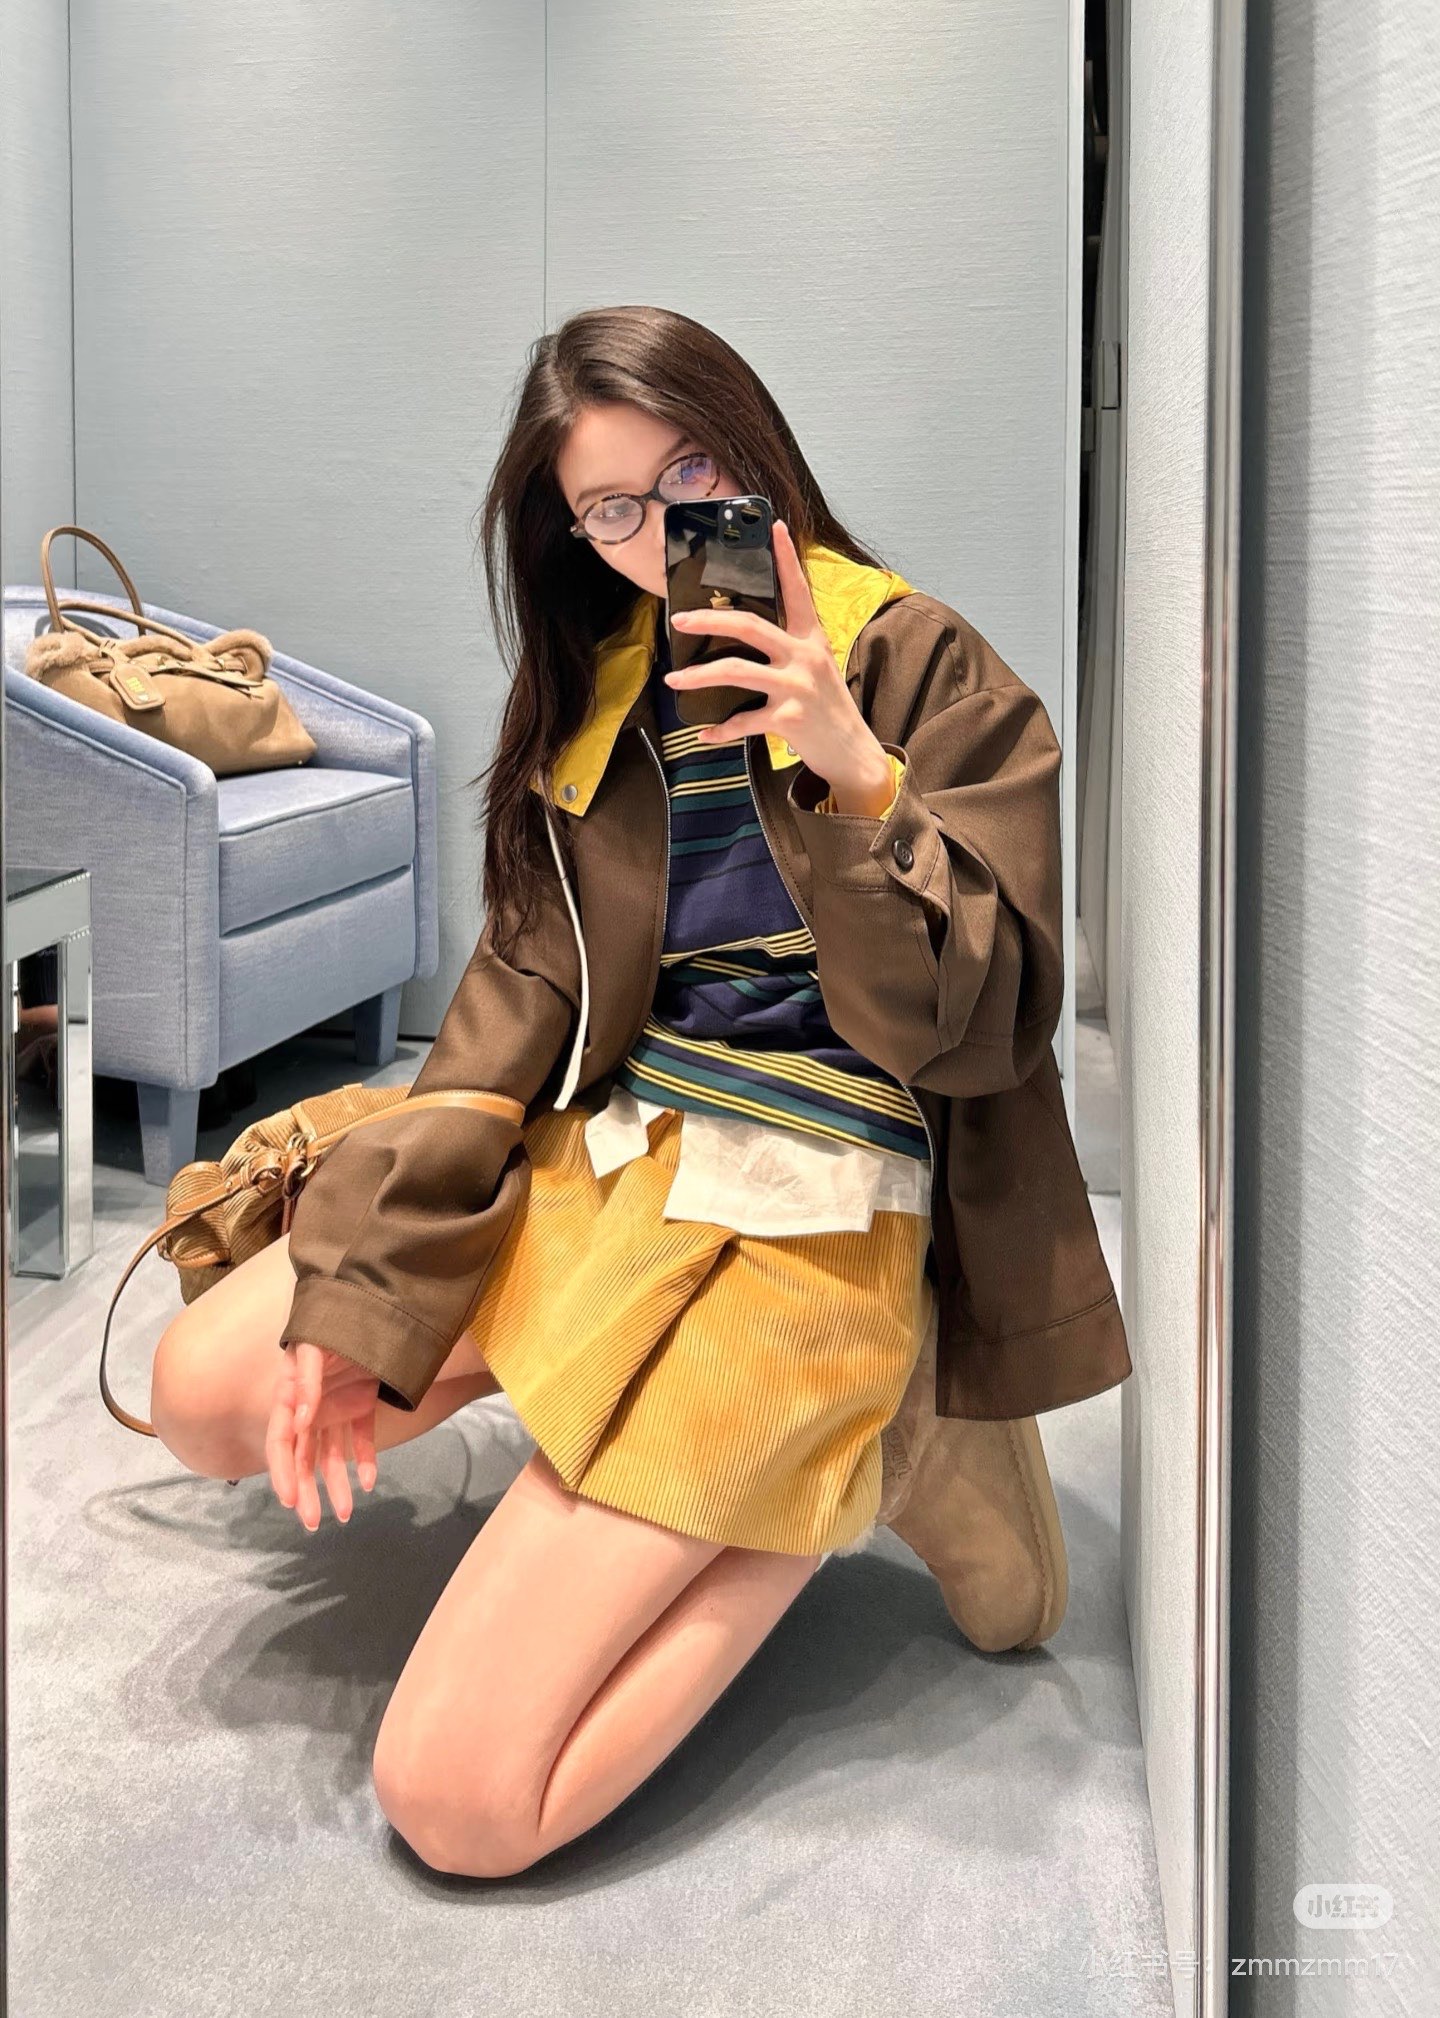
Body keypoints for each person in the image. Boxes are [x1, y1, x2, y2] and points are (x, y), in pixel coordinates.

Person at [150, 304, 1130, 1878]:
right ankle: (663, 1413)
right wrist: (370, 1290)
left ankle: (882, 1432)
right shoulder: (603, 695)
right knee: (212, 1388)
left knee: (459, 1799)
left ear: (754, 449)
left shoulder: (917, 659)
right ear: (571, 533)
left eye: (690, 475)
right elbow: (509, 1011)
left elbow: (986, 1025)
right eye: (611, 507)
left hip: (819, 1206)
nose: (664, 532)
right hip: (619, 1155)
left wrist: (853, 775)